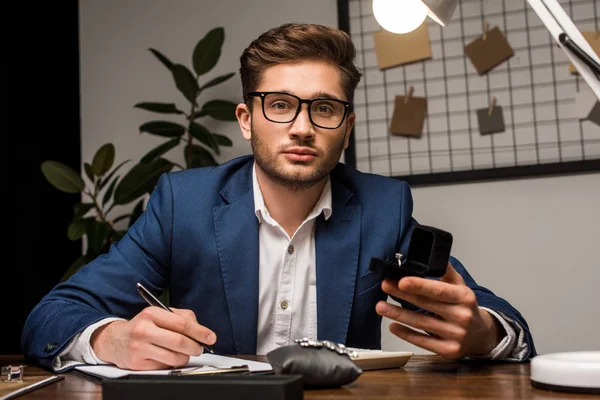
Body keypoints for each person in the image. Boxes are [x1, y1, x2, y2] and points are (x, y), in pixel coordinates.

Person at [22, 23, 535, 372]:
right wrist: (110, 339)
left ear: (347, 128)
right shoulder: (184, 204)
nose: (302, 128)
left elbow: (484, 311)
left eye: (325, 109)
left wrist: (484, 333)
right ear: (246, 121)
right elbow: (56, 312)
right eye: (280, 105)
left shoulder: (384, 206)